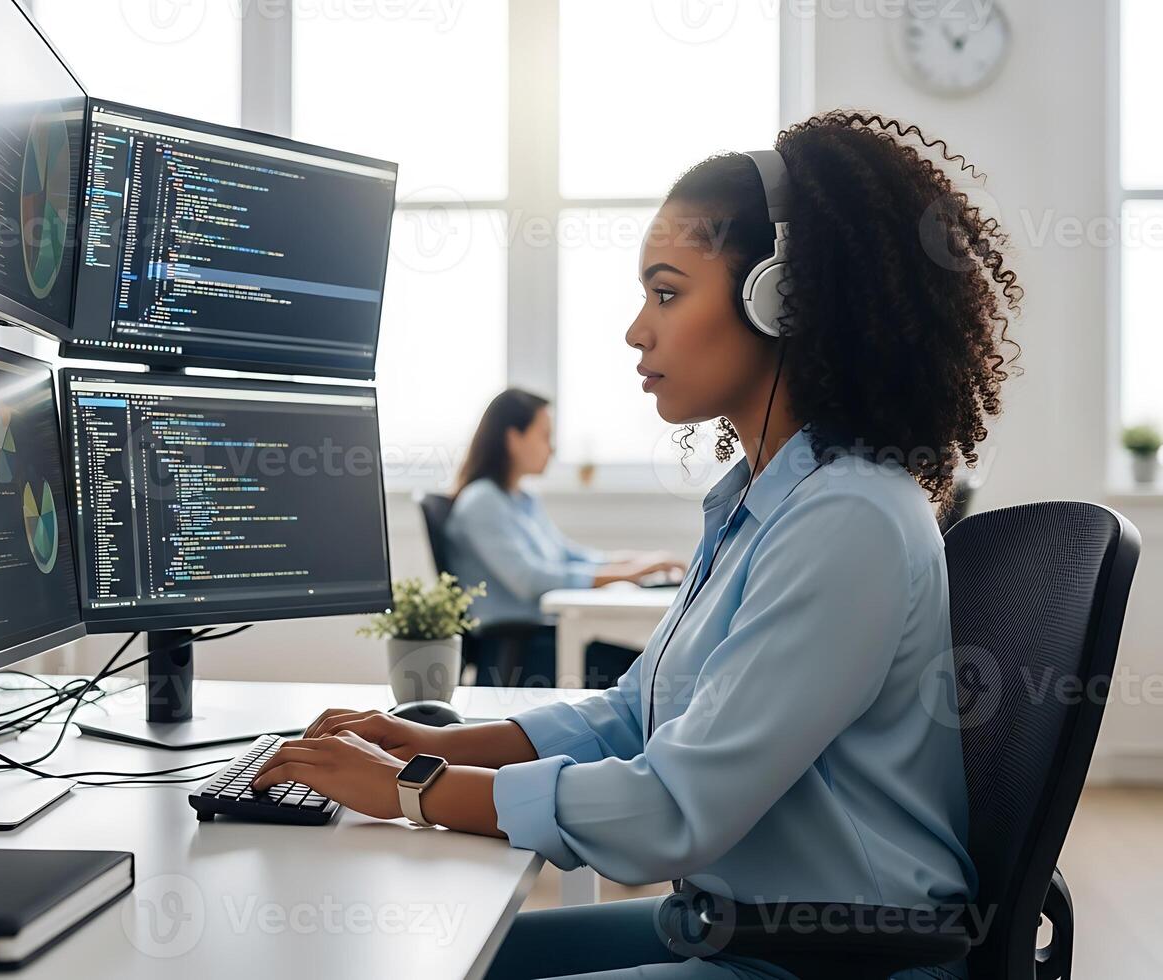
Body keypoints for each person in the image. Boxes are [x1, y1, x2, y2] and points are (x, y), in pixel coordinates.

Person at [252, 111, 1021, 979]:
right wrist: (414, 743)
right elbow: (628, 716)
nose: (636, 330)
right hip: (738, 930)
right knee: (430, 962)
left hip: (834, 961)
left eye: (665, 292)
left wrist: (407, 792)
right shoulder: (764, 504)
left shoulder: (851, 519)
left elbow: (671, 808)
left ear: (780, 299)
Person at [446, 388, 685, 687]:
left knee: (651, 663)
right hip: (518, 648)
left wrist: (633, 561)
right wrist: (626, 573)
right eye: (545, 436)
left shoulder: (523, 499)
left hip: (543, 637)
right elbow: (531, 580)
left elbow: (565, 554)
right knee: (645, 671)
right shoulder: (481, 502)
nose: (552, 448)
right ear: (513, 438)